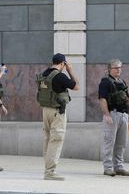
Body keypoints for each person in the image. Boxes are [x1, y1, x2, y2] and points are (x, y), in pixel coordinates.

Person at [37, 53, 79, 181]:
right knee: (56, 140)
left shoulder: (44, 74)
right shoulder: (60, 76)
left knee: (48, 139)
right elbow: (76, 86)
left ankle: (47, 169)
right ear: (63, 64)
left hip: (45, 110)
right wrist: (70, 71)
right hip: (57, 112)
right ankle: (50, 172)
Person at [98, 59, 129, 177]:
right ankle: (108, 167)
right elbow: (102, 99)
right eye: (116, 68)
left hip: (123, 114)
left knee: (121, 143)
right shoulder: (105, 82)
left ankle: (119, 167)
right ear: (109, 69)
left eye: (120, 67)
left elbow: (127, 99)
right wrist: (106, 114)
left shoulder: (122, 82)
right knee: (109, 141)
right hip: (112, 114)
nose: (119, 70)